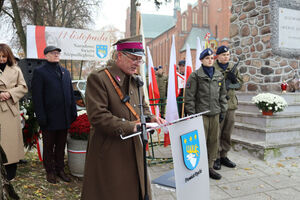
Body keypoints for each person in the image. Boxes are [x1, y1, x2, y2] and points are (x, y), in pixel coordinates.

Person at [81, 35, 165, 200]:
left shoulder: (135, 80)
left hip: (134, 147)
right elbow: (98, 116)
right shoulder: (99, 78)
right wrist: (131, 126)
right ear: (120, 55)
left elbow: (142, 107)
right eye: (133, 58)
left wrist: (151, 118)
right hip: (110, 150)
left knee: (135, 190)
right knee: (113, 192)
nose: (137, 63)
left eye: (139, 60)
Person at [31, 46, 77, 184]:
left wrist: (73, 111)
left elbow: (70, 92)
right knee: (49, 146)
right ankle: (50, 171)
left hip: (64, 117)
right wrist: (41, 116)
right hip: (49, 117)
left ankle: (60, 169)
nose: (56, 55)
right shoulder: (40, 72)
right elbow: (37, 97)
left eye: (58, 53)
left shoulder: (65, 72)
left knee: (61, 145)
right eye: (53, 53)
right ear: (46, 55)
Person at [184, 48, 227, 180]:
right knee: (200, 141)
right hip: (201, 114)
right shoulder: (196, 75)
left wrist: (222, 110)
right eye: (207, 58)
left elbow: (223, 95)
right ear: (201, 60)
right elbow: (189, 97)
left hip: (215, 113)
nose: (210, 60)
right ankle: (197, 167)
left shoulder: (219, 75)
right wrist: (192, 114)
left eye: (211, 58)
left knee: (213, 141)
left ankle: (210, 166)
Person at [0, 43, 28, 181]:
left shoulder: (16, 70)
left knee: (10, 141)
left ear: (8, 56)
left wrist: (9, 93)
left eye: (4, 56)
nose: (1, 59)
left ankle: (11, 172)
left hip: (10, 109)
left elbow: (23, 87)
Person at [213, 46, 243, 170]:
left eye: (228, 55)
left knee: (227, 132)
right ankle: (216, 157)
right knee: (217, 133)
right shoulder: (212, 68)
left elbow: (239, 85)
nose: (226, 57)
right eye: (224, 55)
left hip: (230, 105)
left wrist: (233, 80)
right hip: (218, 105)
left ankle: (224, 155)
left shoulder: (232, 68)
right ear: (218, 56)